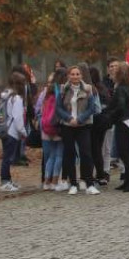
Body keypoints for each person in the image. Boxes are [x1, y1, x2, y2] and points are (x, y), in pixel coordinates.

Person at [55, 65, 100, 195]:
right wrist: (69, 118)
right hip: (67, 125)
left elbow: (91, 108)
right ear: (68, 76)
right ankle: (73, 184)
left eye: (77, 74)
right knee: (69, 154)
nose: (75, 76)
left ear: (81, 76)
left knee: (86, 153)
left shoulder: (88, 89)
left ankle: (89, 183)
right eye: (72, 74)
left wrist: (79, 119)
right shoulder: (63, 90)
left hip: (83, 125)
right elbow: (58, 108)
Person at [109, 62, 129, 192]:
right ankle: (128, 180)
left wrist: (112, 114)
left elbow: (120, 106)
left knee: (124, 153)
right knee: (128, 152)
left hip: (122, 122)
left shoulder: (120, 88)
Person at [36, 69, 65, 192]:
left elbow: (39, 109)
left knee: (50, 156)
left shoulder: (47, 92)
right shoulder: (62, 91)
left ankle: (46, 181)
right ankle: (55, 181)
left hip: (46, 128)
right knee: (59, 155)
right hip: (57, 127)